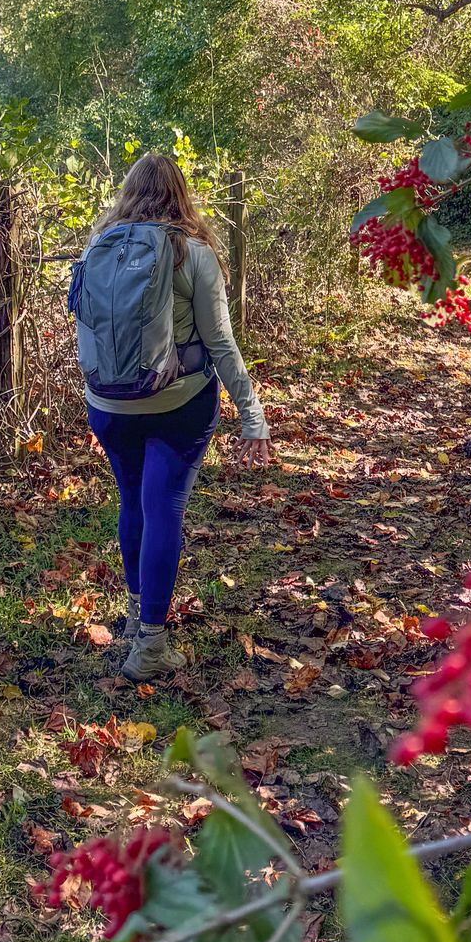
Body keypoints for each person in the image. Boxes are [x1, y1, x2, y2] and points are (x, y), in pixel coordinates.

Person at [81, 153, 271, 680]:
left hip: (108, 405)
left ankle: (137, 616)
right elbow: (222, 344)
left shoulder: (100, 245)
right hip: (176, 403)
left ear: (129, 191)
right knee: (162, 506)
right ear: (180, 194)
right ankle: (150, 645)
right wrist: (251, 415)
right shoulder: (194, 252)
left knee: (132, 501)